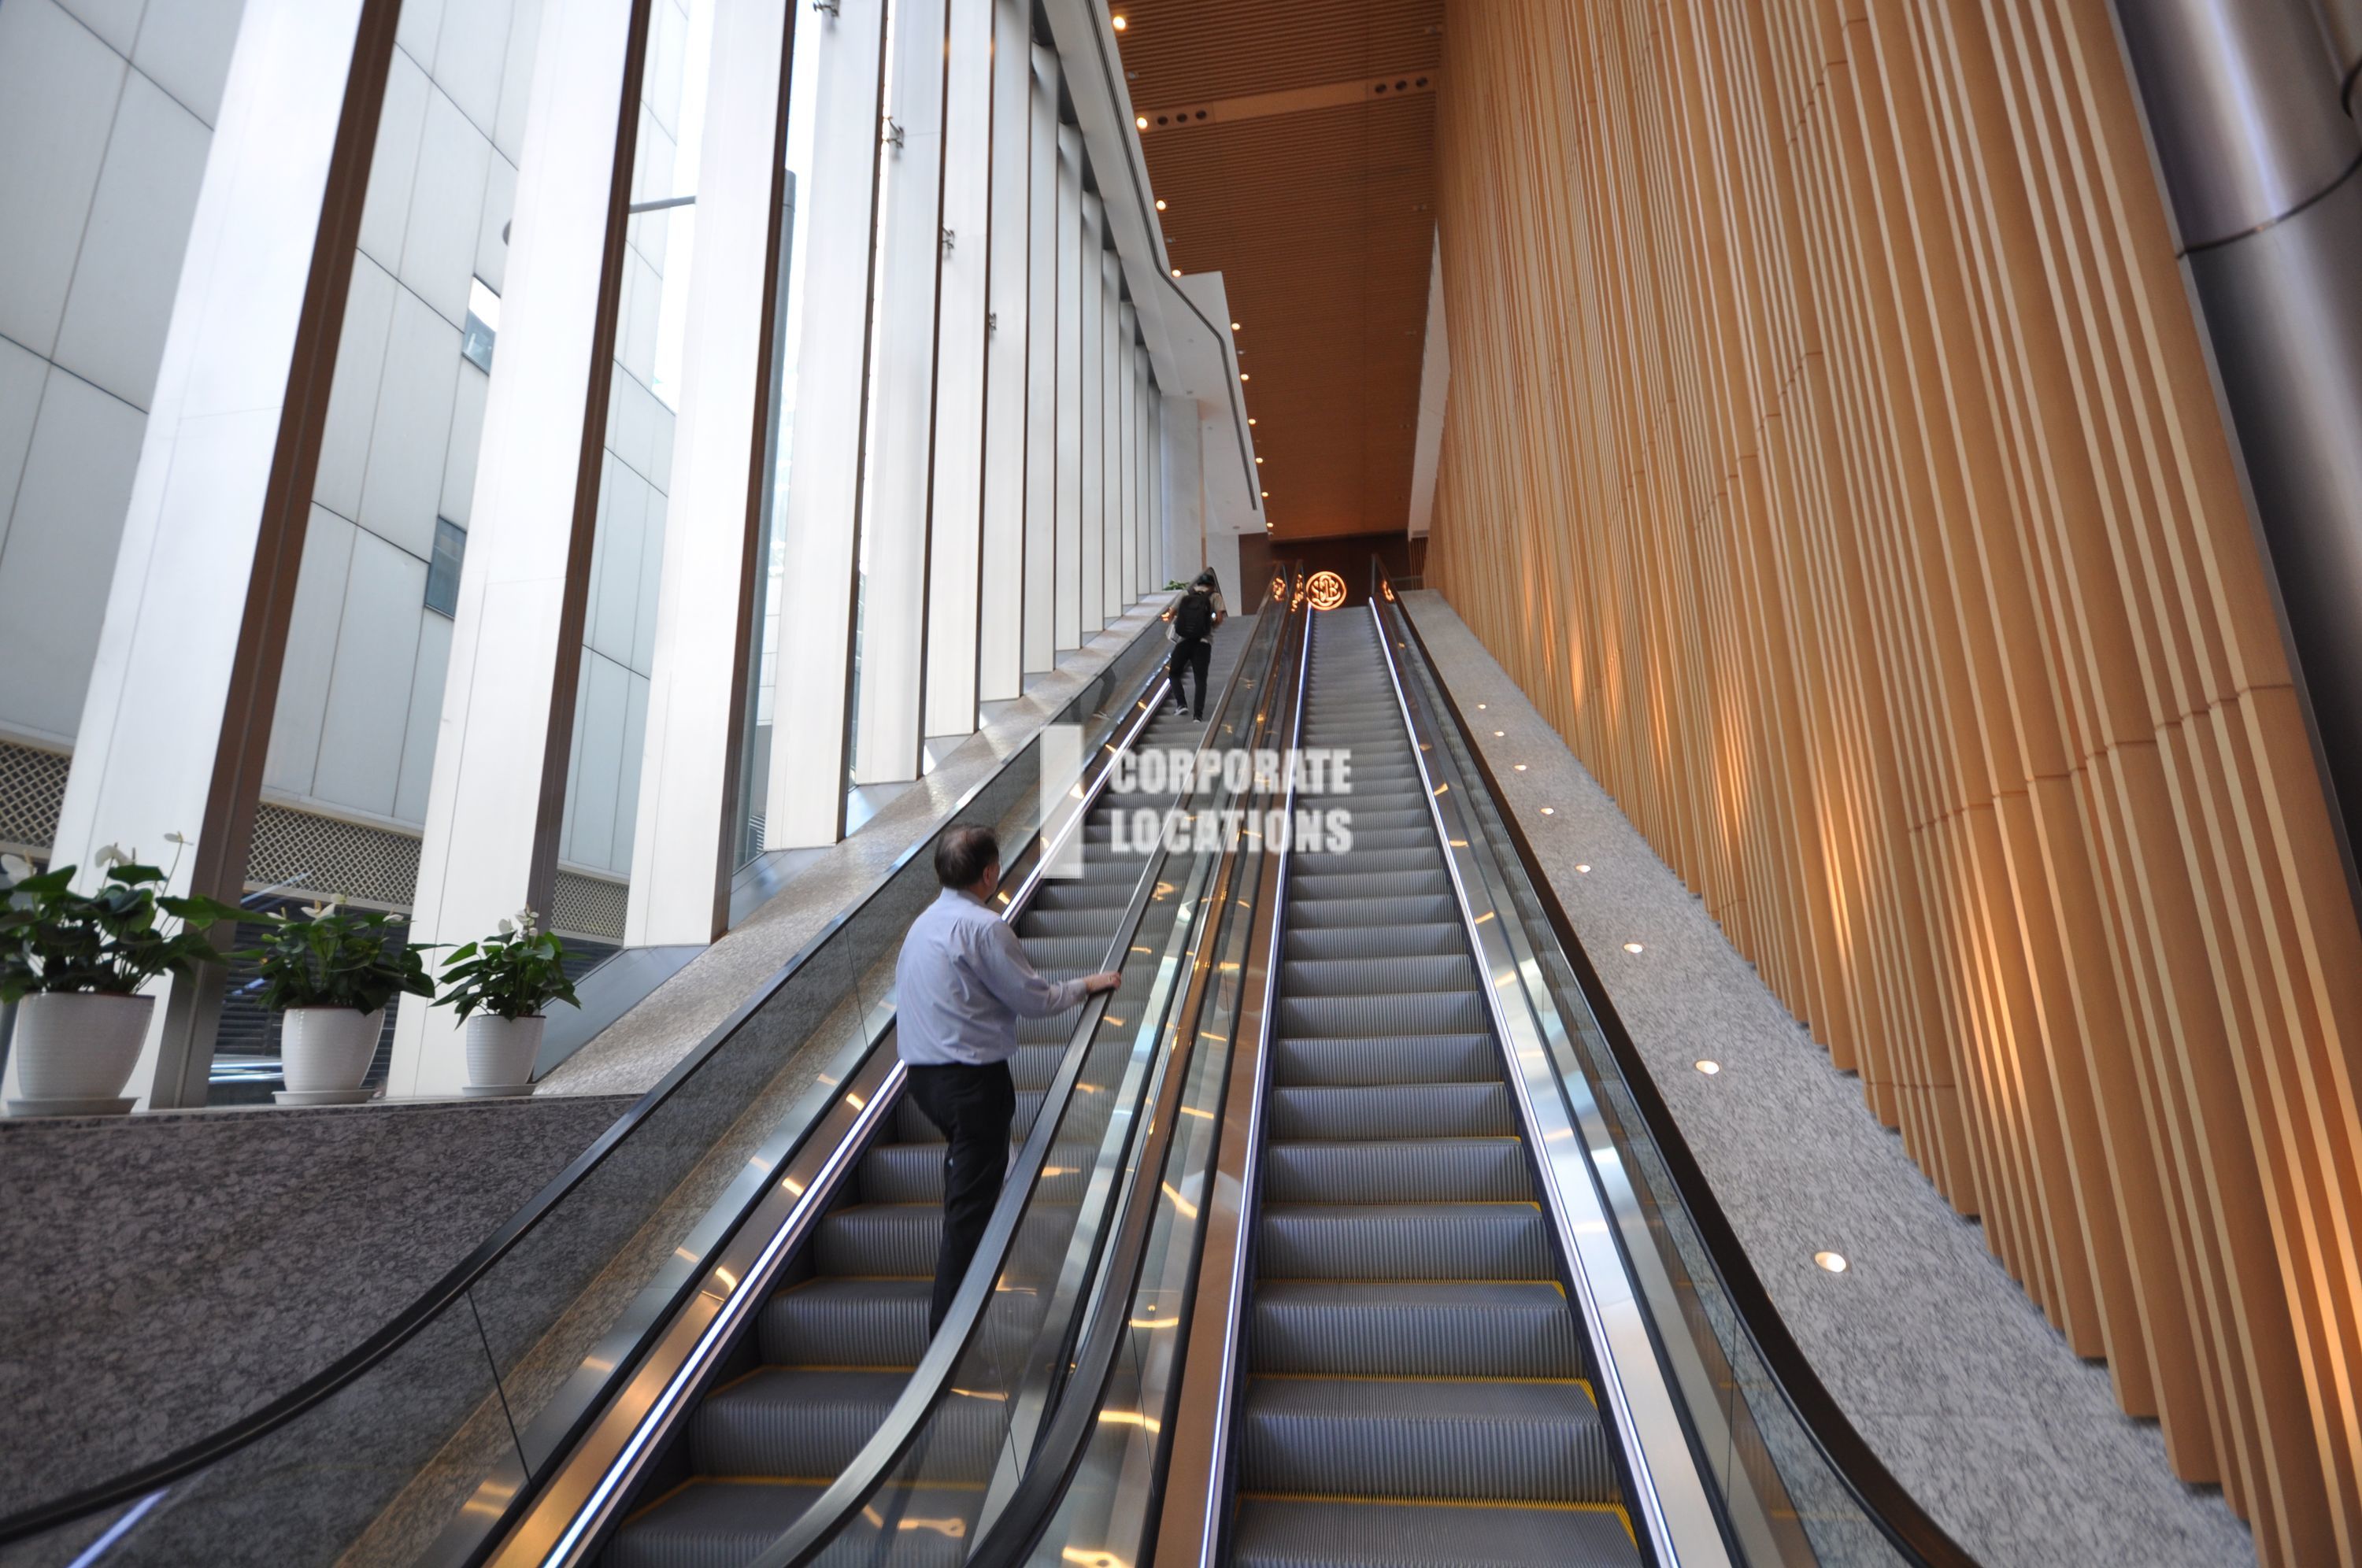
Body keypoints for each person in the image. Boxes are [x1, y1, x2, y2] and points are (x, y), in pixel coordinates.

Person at [894, 824, 1122, 1333]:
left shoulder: (921, 926)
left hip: (924, 1080)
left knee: (981, 1179)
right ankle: (949, 1342)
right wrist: (1087, 984)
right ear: (991, 873)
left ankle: (1012, 1288)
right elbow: (1034, 1000)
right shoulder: (984, 928)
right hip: (972, 1085)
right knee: (970, 1211)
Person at [1167, 569, 1226, 720]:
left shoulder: (1186, 594)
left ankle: (1181, 704)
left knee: (1174, 673)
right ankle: (1197, 716)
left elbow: (1171, 614)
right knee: (1200, 679)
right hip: (1203, 643)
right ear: (1212, 586)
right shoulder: (1215, 596)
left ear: (1198, 584)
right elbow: (1219, 619)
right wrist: (1208, 623)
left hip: (1184, 641)